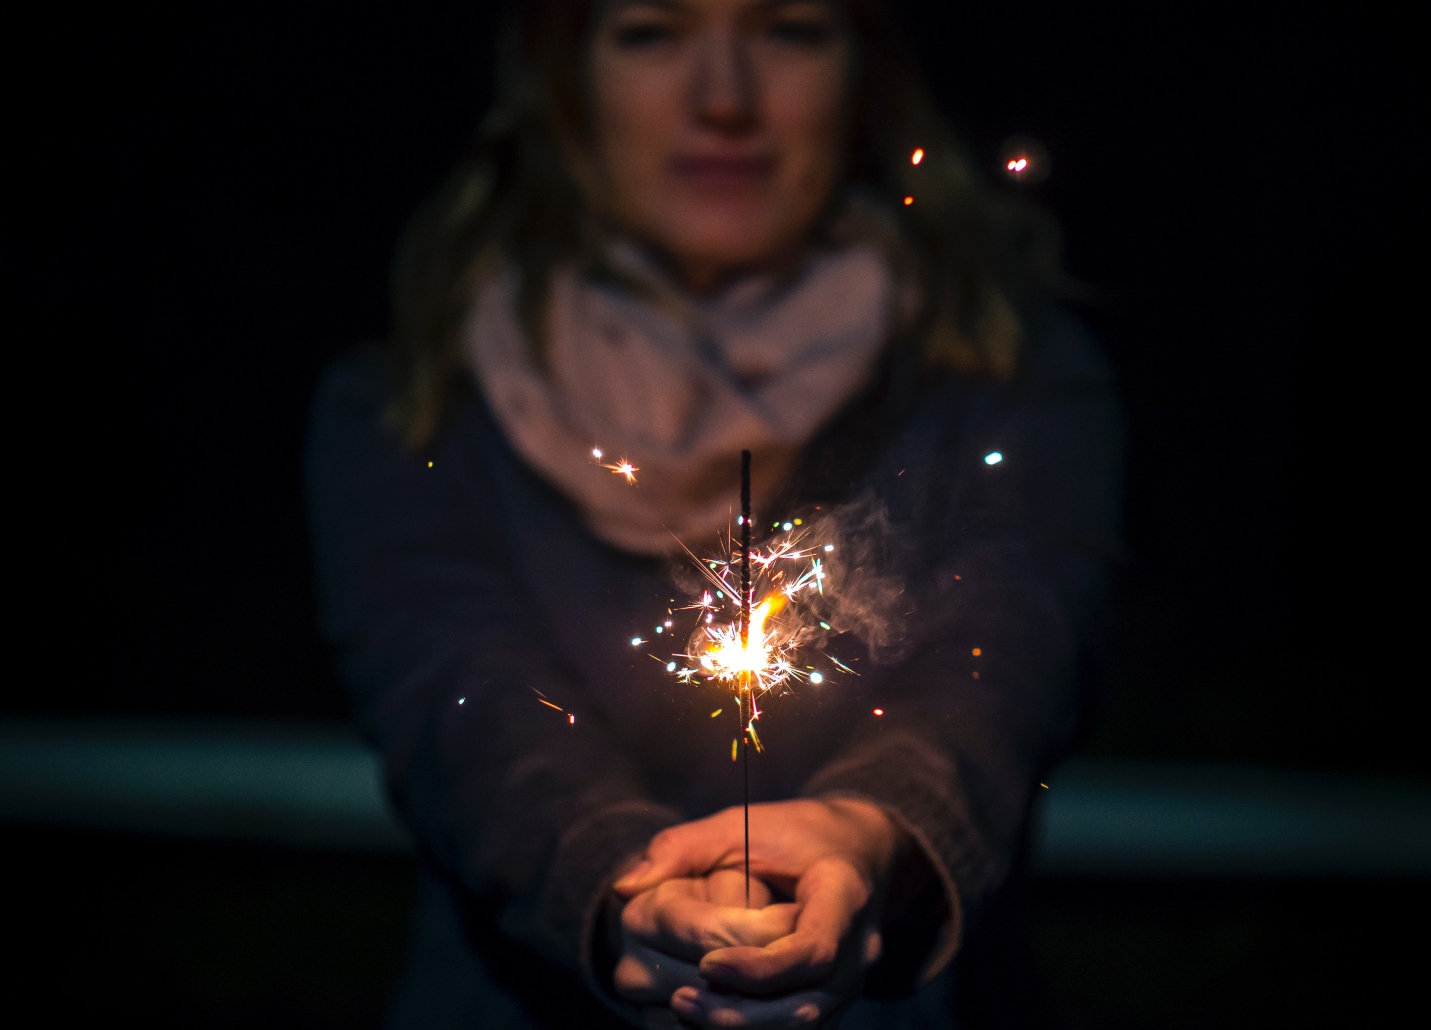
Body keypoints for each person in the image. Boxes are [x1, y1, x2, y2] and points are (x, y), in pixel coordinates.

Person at [306, 0, 1122, 1026]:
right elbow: (456, 694)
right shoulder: (412, 401)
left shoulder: (1007, 370)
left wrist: (870, 828)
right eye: (651, 30)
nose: (724, 99)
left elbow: (1010, 649)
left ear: (864, 69)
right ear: (568, 76)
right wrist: (618, 880)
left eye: (789, 29)